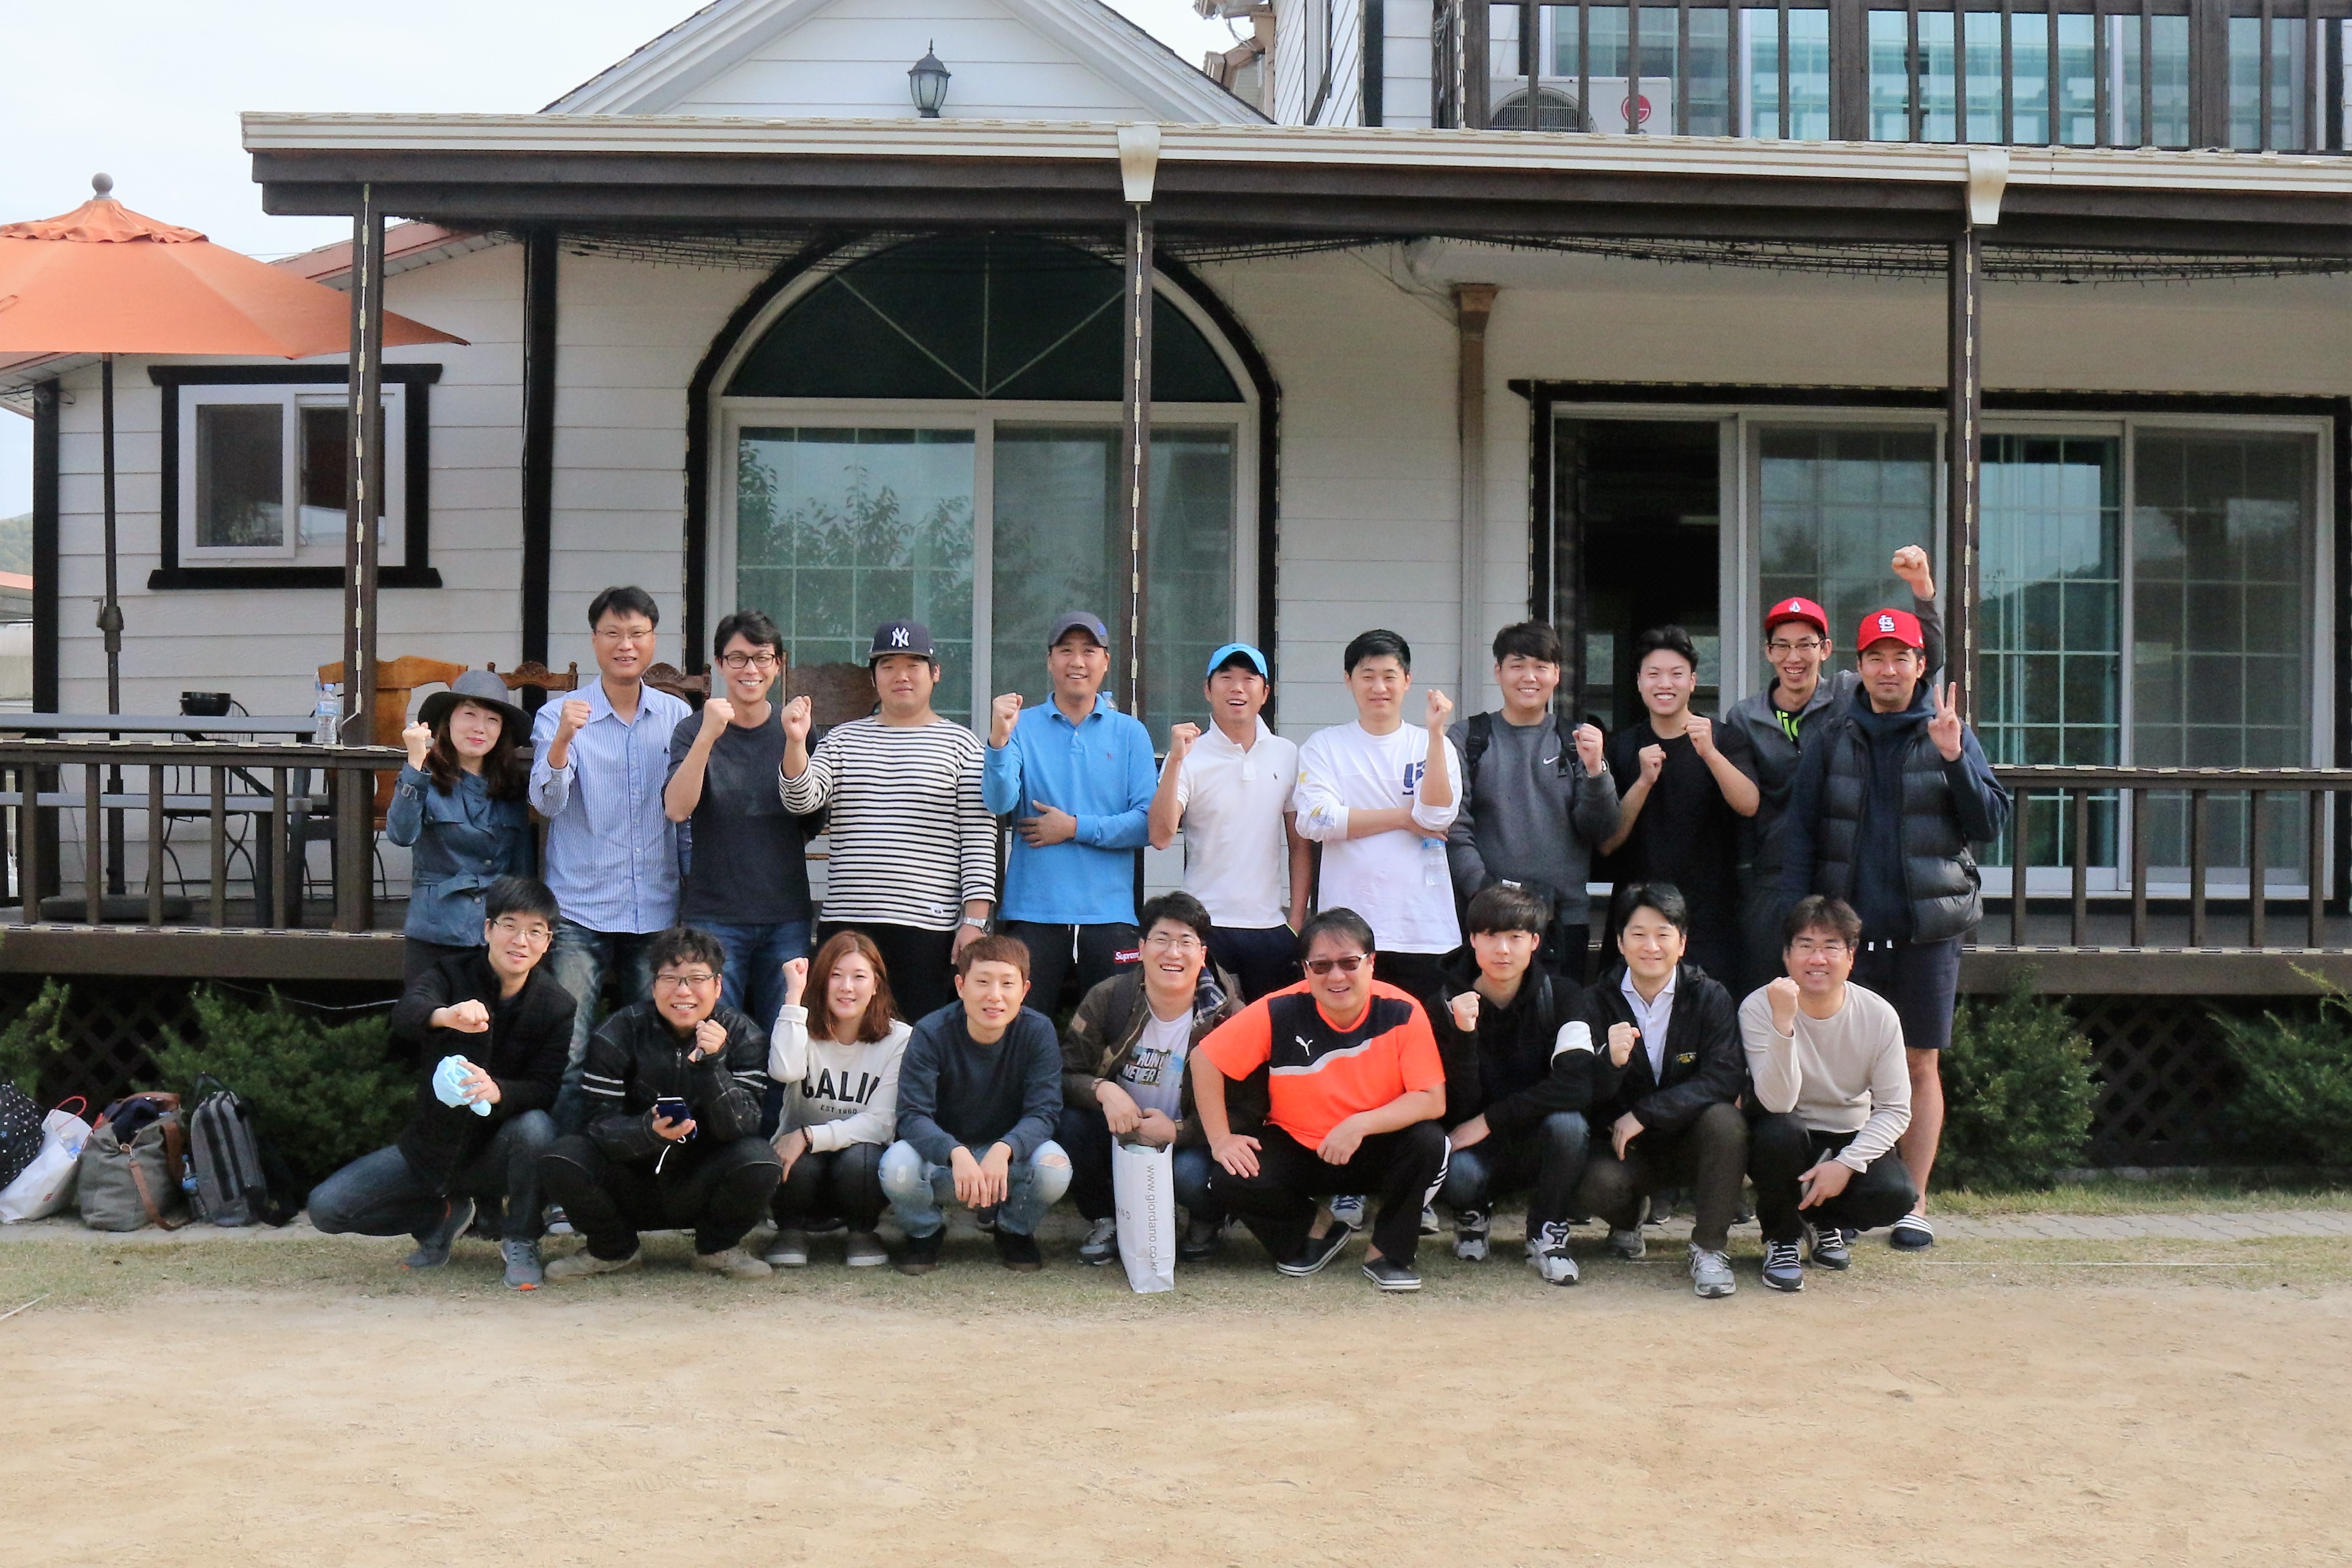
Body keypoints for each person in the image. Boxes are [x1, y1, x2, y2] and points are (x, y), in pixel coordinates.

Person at [1781, 608, 2009, 1253]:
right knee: (1841, 1068)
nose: (1888, 670)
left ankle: (1914, 1201)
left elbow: (1990, 823)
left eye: (1900, 658)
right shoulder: (1832, 733)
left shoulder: (1948, 730)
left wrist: (1955, 757)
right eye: (1876, 658)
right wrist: (1799, 925)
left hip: (1925, 929)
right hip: (1846, 937)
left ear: (1919, 665)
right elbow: (1800, 831)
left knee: (1918, 1063)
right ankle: (1849, 1203)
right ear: (1859, 666)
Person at [307, 877, 573, 1291]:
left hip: (494, 1155)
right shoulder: (451, 973)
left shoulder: (557, 1005)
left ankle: (521, 1240)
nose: (520, 940)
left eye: (535, 931)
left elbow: (545, 1086)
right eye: (509, 926)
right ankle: (440, 1216)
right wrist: (446, 1016)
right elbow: (407, 1013)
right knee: (326, 1209)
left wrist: (499, 1091)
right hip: (430, 1148)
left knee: (537, 1127)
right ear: (488, 929)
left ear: (547, 942)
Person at [1722, 547, 1942, 996]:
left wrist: (1923, 594)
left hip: (1837, 871)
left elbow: (1918, 663)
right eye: (1783, 645)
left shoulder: (1846, 694)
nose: (1794, 657)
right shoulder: (1745, 717)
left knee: (1829, 1001)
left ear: (1825, 650)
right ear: (1768, 652)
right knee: (1765, 995)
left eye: (1806, 644)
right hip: (1772, 874)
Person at [1194, 908, 1449, 1293]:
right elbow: (1205, 1059)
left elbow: (1431, 1100)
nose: (1336, 976)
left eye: (1349, 963)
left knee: (1428, 1141)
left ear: (1372, 962)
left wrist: (1359, 1124)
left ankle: (1387, 1254)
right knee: (1231, 1176)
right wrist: (1220, 1139)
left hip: (1375, 1145)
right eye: (1321, 965)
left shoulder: (1403, 1011)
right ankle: (1318, 1228)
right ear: (1305, 969)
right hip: (1299, 1146)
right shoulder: (1279, 1009)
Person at [531, 586, 694, 1131]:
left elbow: (686, 811)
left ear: (653, 640)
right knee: (568, 1050)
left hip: (655, 907)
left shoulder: (676, 715)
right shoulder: (558, 714)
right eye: (613, 633)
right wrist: (562, 740)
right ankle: (563, 1165)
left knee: (655, 1052)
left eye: (637, 633)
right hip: (580, 908)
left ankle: (645, 1159)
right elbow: (547, 803)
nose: (626, 645)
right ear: (595, 639)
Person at [780, 619, 996, 1024]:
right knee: (841, 1036)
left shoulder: (962, 745)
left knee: (916, 1038)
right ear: (873, 677)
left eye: (913, 665)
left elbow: (979, 838)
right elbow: (800, 799)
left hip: (927, 927)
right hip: (849, 924)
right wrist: (795, 743)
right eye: (888, 665)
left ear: (935, 673)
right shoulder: (842, 740)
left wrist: (974, 921)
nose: (901, 676)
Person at [538, 927, 782, 1281]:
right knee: (563, 1157)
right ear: (653, 986)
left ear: (718, 986)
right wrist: (647, 1131)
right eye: (670, 979)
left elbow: (742, 1127)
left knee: (760, 1159)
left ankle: (717, 1248)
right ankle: (613, 1250)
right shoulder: (619, 1031)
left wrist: (713, 1064)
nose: (683, 991)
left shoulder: (743, 1034)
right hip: (631, 1178)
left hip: (703, 1179)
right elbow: (597, 1125)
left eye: (696, 979)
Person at [1428, 884, 1631, 1286]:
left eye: (1516, 937)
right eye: (1491, 936)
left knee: (1569, 1124)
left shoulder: (1563, 996)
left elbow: (1576, 1087)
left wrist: (1490, 1120)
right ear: (1472, 939)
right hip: (1474, 1149)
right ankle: (1472, 1216)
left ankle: (1546, 1231)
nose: (1503, 950)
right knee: (1455, 1167)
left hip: (1538, 1140)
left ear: (1535, 942)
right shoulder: (1444, 1003)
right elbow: (1455, 1104)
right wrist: (1464, 1037)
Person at [1574, 882, 1749, 1299]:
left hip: (1690, 1140)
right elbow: (1578, 1089)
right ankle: (1627, 1218)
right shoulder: (1594, 1001)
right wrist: (1610, 1065)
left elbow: (1724, 1077)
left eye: (1663, 934)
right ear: (1620, 943)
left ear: (1682, 943)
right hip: (1625, 1150)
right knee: (1593, 1181)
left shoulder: (1709, 996)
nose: (1651, 946)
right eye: (1638, 934)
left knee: (1726, 1121)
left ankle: (1709, 1249)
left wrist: (1648, 1112)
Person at [1054, 891, 1243, 1267]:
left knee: (1190, 1175)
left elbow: (1248, 1110)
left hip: (1191, 1141)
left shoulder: (1228, 1016)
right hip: (1119, 1130)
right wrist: (1104, 1090)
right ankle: (1107, 1219)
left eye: (1186, 942)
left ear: (1202, 954)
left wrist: (1178, 1131)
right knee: (1068, 1123)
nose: (1173, 953)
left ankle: (1206, 1220)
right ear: (1141, 948)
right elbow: (1064, 1075)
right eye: (1162, 940)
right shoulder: (1109, 998)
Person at [1741, 895, 1917, 1292]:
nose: (1817, 959)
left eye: (1830, 947)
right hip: (1786, 1133)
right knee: (1778, 1132)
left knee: (1896, 1194)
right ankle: (1782, 1238)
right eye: (1805, 946)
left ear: (1851, 956)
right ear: (1786, 956)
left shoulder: (1878, 1015)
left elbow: (1895, 1109)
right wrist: (1783, 1024)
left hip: (1847, 1135)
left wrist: (1847, 1164)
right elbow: (1777, 1102)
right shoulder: (1759, 1007)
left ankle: (1823, 1223)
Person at [984, 611, 1157, 1015]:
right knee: (1023, 1028)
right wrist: (998, 740)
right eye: (1065, 651)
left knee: (1113, 1029)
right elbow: (999, 802)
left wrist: (1074, 827)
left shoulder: (1130, 733)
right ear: (1049, 661)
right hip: (1032, 912)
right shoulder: (1021, 727)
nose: (1076, 662)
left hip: (1110, 914)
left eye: (1088, 651)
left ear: (1106, 662)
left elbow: (1146, 824)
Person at [666, 608, 816, 1054]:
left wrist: (795, 742)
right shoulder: (693, 730)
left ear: (778, 664)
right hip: (714, 914)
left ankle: (774, 1107)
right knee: (713, 1038)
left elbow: (811, 818)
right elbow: (677, 809)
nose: (750, 669)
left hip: (784, 913)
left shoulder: (796, 730)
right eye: (737, 658)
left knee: (784, 1039)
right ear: (719, 664)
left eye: (762, 657)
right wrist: (707, 736)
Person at [881, 935, 1071, 1275]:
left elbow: (1044, 1112)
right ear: (961, 985)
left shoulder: (1038, 1032)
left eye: (1007, 984)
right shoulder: (931, 1032)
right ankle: (925, 1231)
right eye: (982, 982)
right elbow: (912, 1115)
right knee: (897, 1165)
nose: (994, 995)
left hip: (1006, 1162)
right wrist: (954, 1152)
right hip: (944, 1162)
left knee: (1055, 1167)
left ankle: (1014, 1230)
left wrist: (1005, 1148)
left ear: (1024, 990)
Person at [1291, 629, 1460, 1001]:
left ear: (1407, 681)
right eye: (1367, 676)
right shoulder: (1325, 746)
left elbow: (1436, 818)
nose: (1379, 687)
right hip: (1346, 935)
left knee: (1422, 1029)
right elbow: (1316, 820)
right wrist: (1402, 818)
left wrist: (1435, 734)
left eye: (1389, 676)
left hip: (1423, 928)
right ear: (1348, 680)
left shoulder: (1434, 744)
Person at [1447, 622, 1620, 983]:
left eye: (1541, 666)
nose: (1529, 677)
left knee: (1561, 1013)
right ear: (1498, 672)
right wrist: (1485, 893)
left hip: (1563, 921)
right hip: (1488, 921)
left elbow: (1601, 831)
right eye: (1518, 665)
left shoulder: (1575, 741)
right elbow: (1454, 826)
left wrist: (1596, 771)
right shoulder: (1469, 737)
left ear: (1556, 675)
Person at [1146, 642, 1311, 1002]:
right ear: (1208, 690)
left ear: (1265, 693)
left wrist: (1296, 922)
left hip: (1270, 926)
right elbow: (1160, 836)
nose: (1237, 688)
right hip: (1204, 924)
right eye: (1226, 678)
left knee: (1269, 1029)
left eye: (1249, 679)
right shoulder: (1189, 755)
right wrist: (1174, 762)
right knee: (1209, 1027)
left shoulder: (1287, 754)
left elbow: (1300, 845)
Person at [1599, 625, 1758, 986]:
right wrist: (1643, 782)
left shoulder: (1724, 738)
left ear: (1693, 682)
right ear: (1639, 682)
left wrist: (1710, 754)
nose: (1665, 684)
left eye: (1676, 674)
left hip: (1710, 916)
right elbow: (1608, 841)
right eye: (1654, 674)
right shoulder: (1623, 747)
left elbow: (1749, 804)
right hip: (1639, 916)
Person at [764, 932, 911, 1270]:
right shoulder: (799, 1024)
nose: (847, 987)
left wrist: (809, 1136)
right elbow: (784, 1071)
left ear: (875, 985)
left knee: (862, 1159)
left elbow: (881, 1123)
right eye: (835, 975)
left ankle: (863, 1232)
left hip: (857, 1170)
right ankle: (790, 1230)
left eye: (859, 977)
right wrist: (794, 997)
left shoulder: (899, 1038)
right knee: (797, 1161)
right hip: (800, 1169)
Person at [387, 670, 534, 984]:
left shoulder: (512, 788)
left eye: (492, 720)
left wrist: (524, 930)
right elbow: (401, 834)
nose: (480, 728)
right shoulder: (423, 779)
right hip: (436, 928)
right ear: (448, 721)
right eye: (469, 714)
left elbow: (522, 870)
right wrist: (414, 763)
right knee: (429, 1012)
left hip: (495, 935)